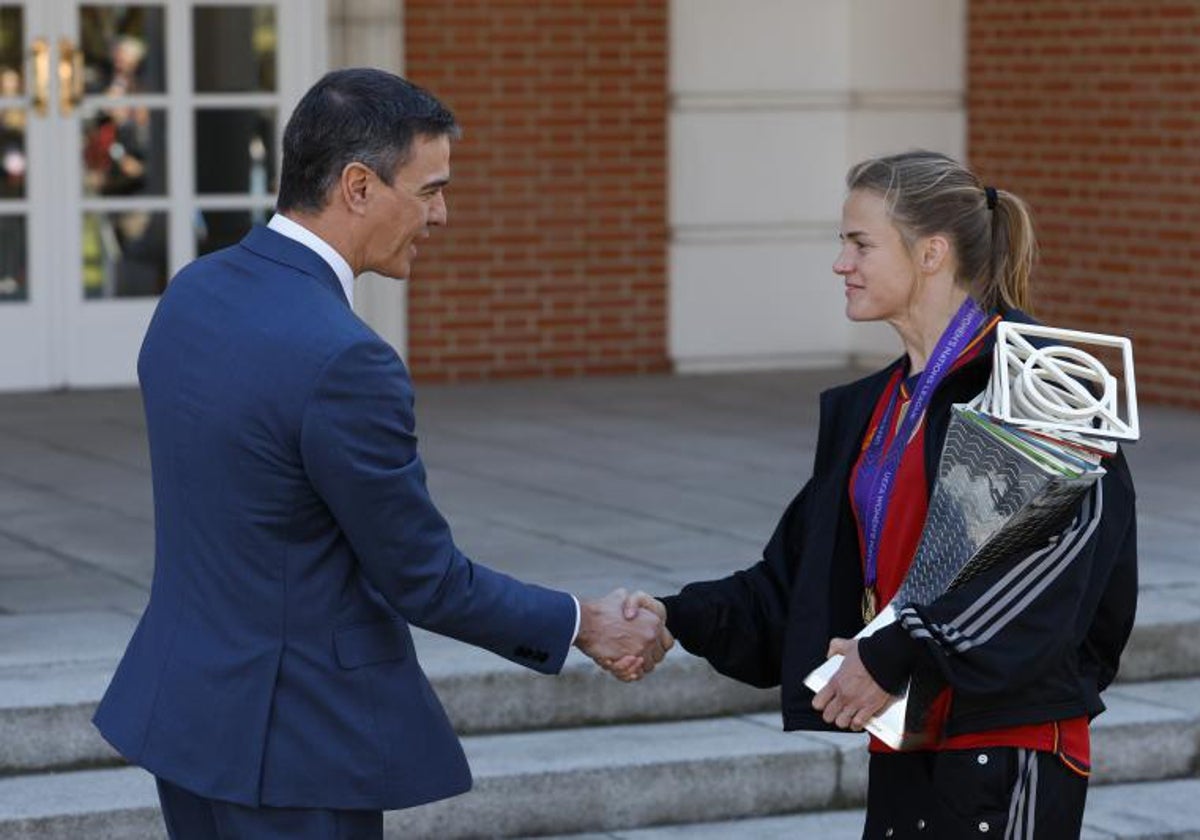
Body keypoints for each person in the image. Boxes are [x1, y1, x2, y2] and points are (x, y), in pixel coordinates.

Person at [93, 68, 669, 840]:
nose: (441, 215)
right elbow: (422, 577)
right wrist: (582, 623)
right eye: (428, 189)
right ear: (358, 187)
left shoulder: (194, 291)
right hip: (294, 744)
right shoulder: (345, 360)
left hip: (188, 717)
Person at [624, 150, 1137, 839]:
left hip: (1005, 748)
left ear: (931, 253)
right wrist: (671, 614)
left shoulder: (1041, 387)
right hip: (903, 736)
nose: (841, 264)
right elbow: (793, 581)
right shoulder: (874, 408)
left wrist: (890, 652)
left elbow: (1044, 580)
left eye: (859, 243)